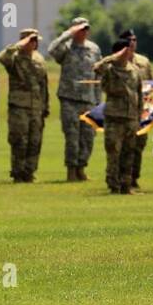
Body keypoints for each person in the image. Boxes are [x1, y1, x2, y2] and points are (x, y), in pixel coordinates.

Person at [48, 17, 102, 182]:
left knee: (88, 137)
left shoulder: (94, 49)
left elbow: (99, 74)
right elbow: (51, 50)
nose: (84, 32)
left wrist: (98, 100)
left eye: (86, 29)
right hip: (70, 99)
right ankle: (71, 171)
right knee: (72, 137)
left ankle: (81, 168)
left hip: (89, 99)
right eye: (80, 29)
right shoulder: (66, 48)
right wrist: (67, 34)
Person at [93, 31, 143, 194]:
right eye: (125, 50)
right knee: (114, 153)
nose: (128, 52)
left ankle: (126, 185)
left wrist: (139, 115)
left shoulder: (135, 70)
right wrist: (113, 57)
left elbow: (139, 94)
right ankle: (113, 185)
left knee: (129, 153)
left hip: (131, 118)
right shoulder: (109, 69)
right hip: (115, 118)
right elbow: (96, 68)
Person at [0, 29, 49, 183]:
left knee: (35, 141)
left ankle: (30, 172)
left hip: (37, 107)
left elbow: (43, 84)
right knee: (19, 141)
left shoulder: (39, 58)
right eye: (31, 40)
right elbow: (1, 57)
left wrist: (45, 106)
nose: (34, 43)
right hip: (19, 107)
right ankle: (18, 173)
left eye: (36, 40)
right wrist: (19, 45)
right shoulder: (14, 58)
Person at [128, 32, 153, 189]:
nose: (132, 43)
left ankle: (134, 177)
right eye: (129, 40)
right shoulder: (117, 61)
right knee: (123, 145)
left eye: (134, 40)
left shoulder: (144, 62)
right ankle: (120, 177)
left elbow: (151, 84)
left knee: (139, 144)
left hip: (142, 110)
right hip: (123, 109)